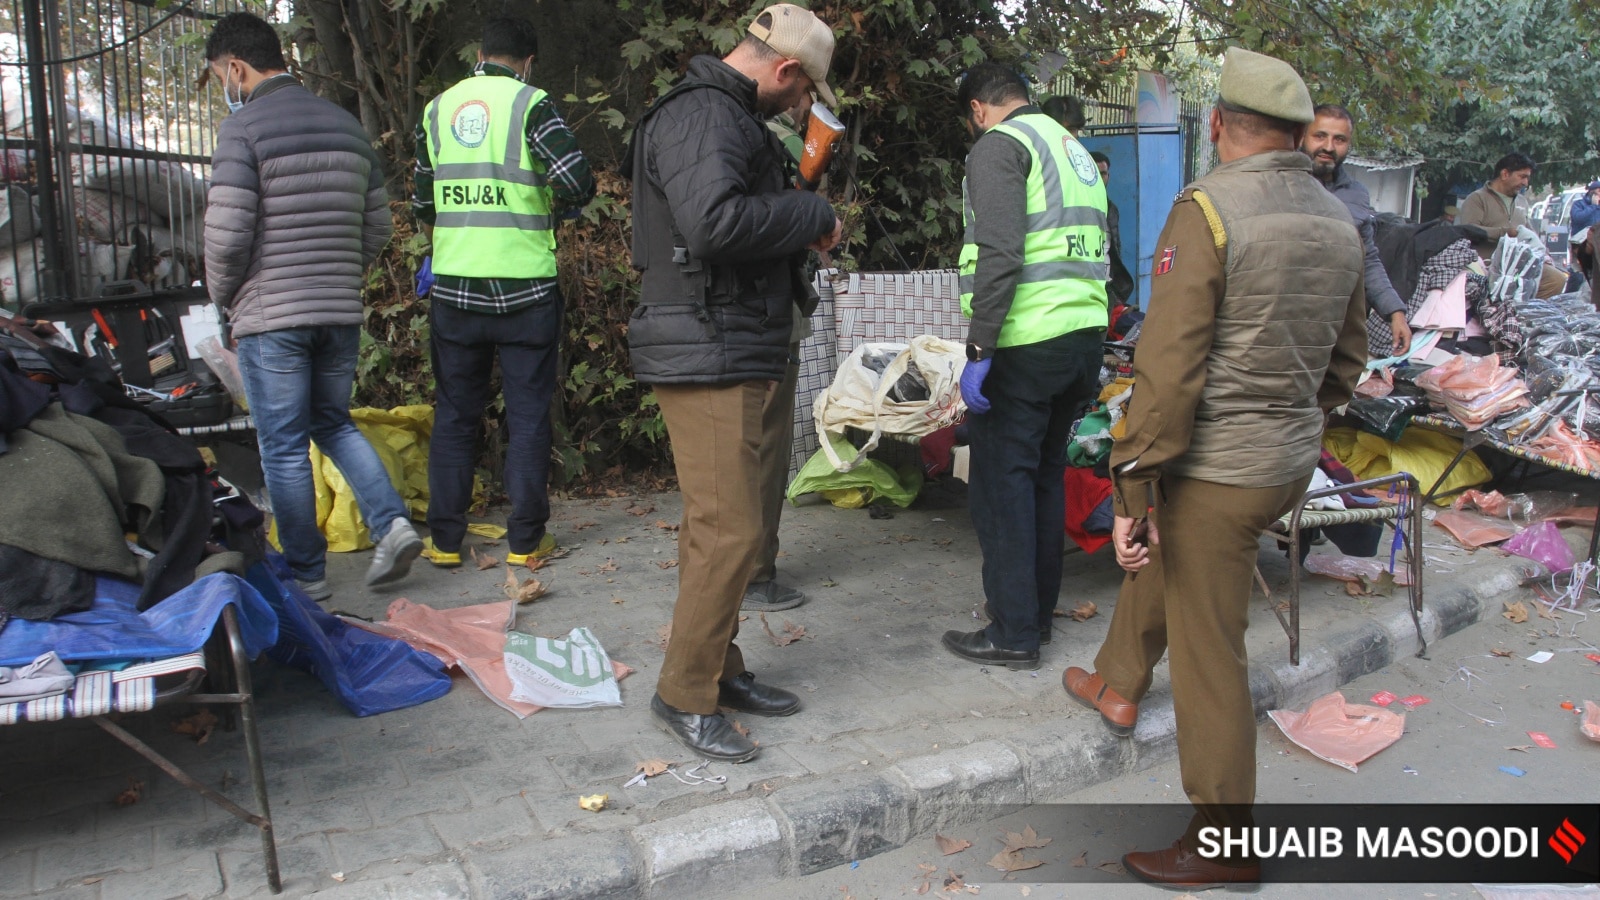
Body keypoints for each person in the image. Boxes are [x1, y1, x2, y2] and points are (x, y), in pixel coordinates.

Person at [1062, 48, 1366, 888]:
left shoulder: (1210, 209)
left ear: (1221, 125)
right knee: (1187, 562)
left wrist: (1131, 484)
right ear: (1303, 138)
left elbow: (1169, 366)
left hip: (1218, 462)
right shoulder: (1337, 219)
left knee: (1210, 654)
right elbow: (1347, 361)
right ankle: (1117, 682)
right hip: (1283, 459)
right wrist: (1296, 421)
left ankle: (1225, 841)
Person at [626, 3, 842, 763]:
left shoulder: (721, 115)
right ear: (785, 70)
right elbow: (715, 225)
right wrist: (810, 209)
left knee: (718, 525)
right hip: (706, 345)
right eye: (806, 91)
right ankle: (684, 694)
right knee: (732, 532)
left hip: (723, 342)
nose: (806, 107)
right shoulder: (705, 115)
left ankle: (720, 668)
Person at [203, 12, 422, 601]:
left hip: (272, 317)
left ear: (236, 68)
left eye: (220, 76)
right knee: (332, 422)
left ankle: (307, 574)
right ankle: (392, 523)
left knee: (281, 443)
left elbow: (226, 236)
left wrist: (225, 297)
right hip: (337, 310)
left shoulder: (242, 132)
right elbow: (376, 226)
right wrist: (337, 276)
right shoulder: (345, 126)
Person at [940, 63, 1108, 671]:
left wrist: (980, 347)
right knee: (1041, 478)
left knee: (1000, 485)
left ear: (979, 109)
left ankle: (1012, 633)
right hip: (1082, 338)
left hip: (1026, 339)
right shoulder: (1072, 149)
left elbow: (1001, 249)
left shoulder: (1000, 145)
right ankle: (1034, 615)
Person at [412, 17, 595, 569]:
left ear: (480, 54)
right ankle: (525, 542)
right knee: (529, 416)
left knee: (455, 416)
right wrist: (552, 210)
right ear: (528, 61)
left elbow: (424, 201)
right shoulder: (531, 105)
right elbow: (578, 181)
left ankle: (444, 542)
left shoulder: (438, 109)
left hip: (456, 288)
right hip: (525, 291)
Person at [1300, 104, 1412, 356]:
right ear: (1302, 137)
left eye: (1339, 139)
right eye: (1320, 136)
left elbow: (1368, 259)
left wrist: (1395, 312)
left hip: (1334, 324)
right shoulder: (1282, 184)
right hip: (1283, 323)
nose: (1328, 147)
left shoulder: (1356, 194)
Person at [1090, 151, 1136, 305]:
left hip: (1108, 289)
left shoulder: (1111, 210)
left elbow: (1115, 247)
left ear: (1108, 177)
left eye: (1103, 173)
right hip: (1086, 287)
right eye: (1094, 172)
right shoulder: (1077, 207)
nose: (1099, 178)